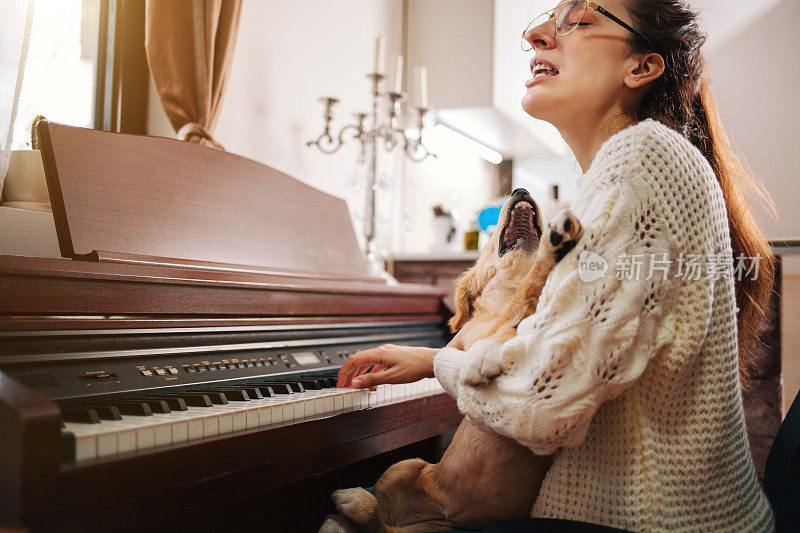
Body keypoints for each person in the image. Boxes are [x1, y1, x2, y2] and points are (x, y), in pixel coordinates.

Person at [337, 1, 776, 531]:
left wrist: (437, 363)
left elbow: (538, 406)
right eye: (545, 21)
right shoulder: (630, 169)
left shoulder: (640, 161)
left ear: (641, 67)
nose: (538, 34)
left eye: (579, 20)